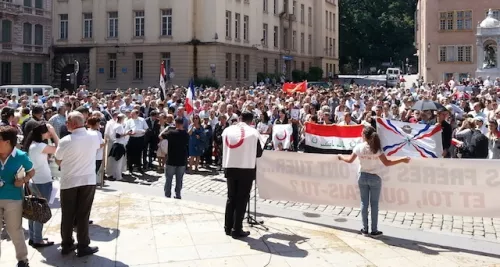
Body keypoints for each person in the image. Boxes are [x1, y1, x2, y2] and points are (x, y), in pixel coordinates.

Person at [338, 126, 409, 237]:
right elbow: (387, 163)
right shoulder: (376, 149)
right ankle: (374, 230)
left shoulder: (359, 147)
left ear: (364, 136)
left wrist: (341, 157)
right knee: (374, 204)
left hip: (362, 176)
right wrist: (402, 160)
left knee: (364, 203)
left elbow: (349, 160)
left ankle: (365, 229)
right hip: (375, 177)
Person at [54, 111, 100, 257]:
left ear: (73, 124)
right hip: (87, 180)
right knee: (83, 214)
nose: (65, 124)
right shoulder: (93, 136)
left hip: (70, 180)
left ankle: (67, 244)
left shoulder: (66, 140)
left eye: (67, 122)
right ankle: (82, 245)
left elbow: (58, 160)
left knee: (68, 214)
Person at [222, 111, 263, 239]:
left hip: (230, 166)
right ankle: (237, 228)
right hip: (246, 168)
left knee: (231, 197)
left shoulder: (229, 130)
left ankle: (227, 227)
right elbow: (259, 153)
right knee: (242, 199)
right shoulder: (253, 132)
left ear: (240, 118)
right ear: (251, 121)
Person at [0, 126, 35, 267]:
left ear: (7, 142)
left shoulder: (21, 156)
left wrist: (23, 180)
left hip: (13, 199)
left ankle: (22, 259)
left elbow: (31, 172)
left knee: (14, 230)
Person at [23, 122, 59, 248]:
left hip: (35, 181)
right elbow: (60, 149)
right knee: (40, 211)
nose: (48, 133)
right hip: (42, 182)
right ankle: (38, 239)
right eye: (47, 131)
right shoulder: (39, 146)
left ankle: (34, 237)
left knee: (33, 210)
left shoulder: (33, 145)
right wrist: (54, 134)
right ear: (41, 133)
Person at [161, 117, 189, 199]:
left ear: (175, 123)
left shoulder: (171, 133)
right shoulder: (185, 134)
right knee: (179, 179)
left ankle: (167, 194)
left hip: (171, 159)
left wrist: (166, 128)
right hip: (181, 160)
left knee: (168, 179)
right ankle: (178, 194)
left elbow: (160, 136)